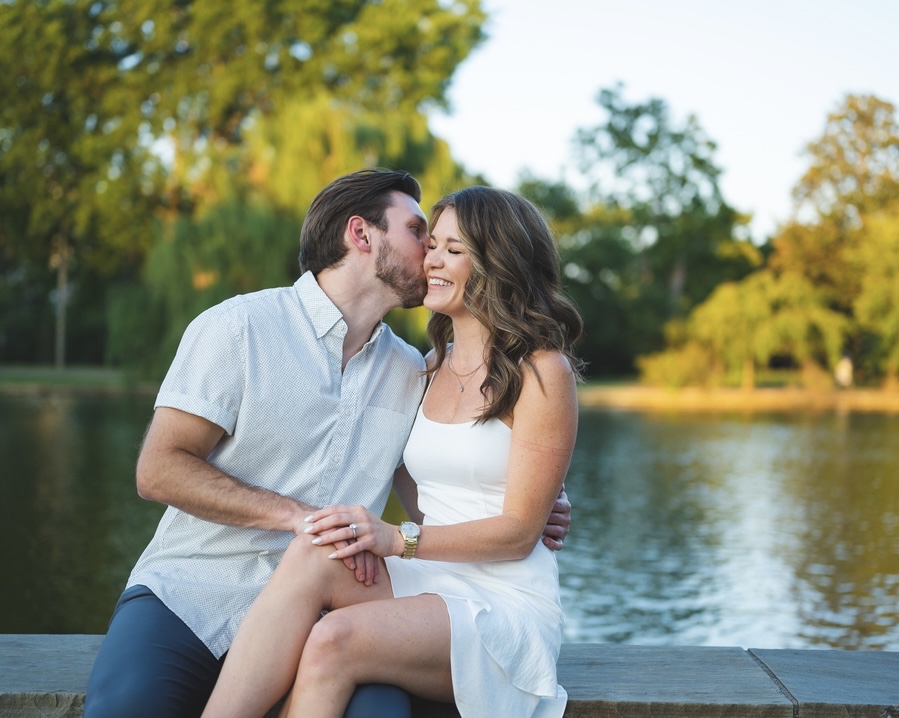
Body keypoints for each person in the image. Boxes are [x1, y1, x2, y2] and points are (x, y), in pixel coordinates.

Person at [83, 170, 571, 718]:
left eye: (445, 246)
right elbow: (158, 470)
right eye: (421, 235)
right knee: (126, 707)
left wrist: (536, 504)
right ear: (361, 235)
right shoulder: (241, 329)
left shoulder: (408, 369)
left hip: (365, 594)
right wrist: (302, 519)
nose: (429, 255)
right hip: (199, 589)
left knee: (375, 708)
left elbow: (467, 484)